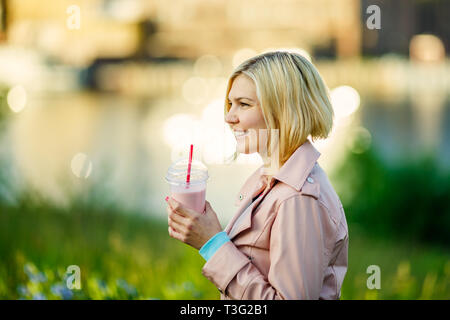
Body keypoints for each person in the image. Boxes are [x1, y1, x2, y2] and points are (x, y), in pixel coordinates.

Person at [165, 51, 348, 300]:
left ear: (283, 108)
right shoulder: (267, 180)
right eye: (230, 104)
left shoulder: (298, 199)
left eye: (244, 104)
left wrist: (213, 244)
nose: (229, 117)